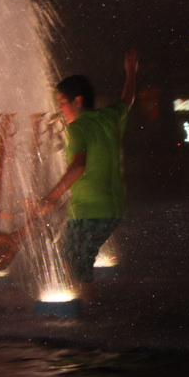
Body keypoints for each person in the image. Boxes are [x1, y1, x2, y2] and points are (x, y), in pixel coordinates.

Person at [29, 48, 137, 300]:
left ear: (77, 101)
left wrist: (52, 197)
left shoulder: (78, 128)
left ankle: (86, 311)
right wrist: (131, 71)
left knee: (75, 262)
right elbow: (127, 100)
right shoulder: (108, 117)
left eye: (62, 104)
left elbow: (78, 165)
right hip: (112, 209)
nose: (59, 110)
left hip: (89, 210)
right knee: (75, 258)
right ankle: (85, 307)